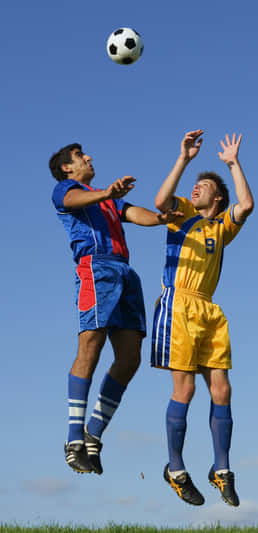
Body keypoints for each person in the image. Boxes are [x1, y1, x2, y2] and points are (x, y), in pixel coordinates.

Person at [49, 143, 182, 475]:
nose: (89, 157)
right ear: (67, 168)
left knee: (130, 357)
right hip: (96, 269)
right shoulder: (66, 190)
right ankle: (73, 440)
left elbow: (136, 214)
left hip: (125, 271)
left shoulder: (107, 198)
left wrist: (163, 218)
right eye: (81, 157)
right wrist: (106, 191)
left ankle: (92, 434)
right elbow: (70, 202)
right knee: (90, 345)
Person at [151, 129, 254, 507]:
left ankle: (221, 469)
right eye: (196, 185)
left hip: (209, 309)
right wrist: (184, 160)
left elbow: (247, 205)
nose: (197, 189)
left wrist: (233, 164)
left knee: (222, 389)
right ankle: (175, 469)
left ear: (218, 197)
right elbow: (160, 199)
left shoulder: (220, 227)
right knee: (186, 390)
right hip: (179, 305)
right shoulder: (180, 214)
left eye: (205, 185)